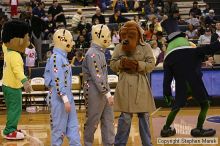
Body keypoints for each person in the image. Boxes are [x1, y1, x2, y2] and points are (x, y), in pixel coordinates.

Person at [160, 17, 218, 137]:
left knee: (176, 108)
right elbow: (211, 48)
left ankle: (166, 129)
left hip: (181, 86)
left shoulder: (168, 59)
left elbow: (167, 80)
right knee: (205, 104)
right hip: (195, 83)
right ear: (182, 38)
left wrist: (167, 94)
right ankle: (198, 129)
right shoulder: (193, 51)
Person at [110, 21, 156, 146]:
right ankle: (119, 144)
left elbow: (151, 64)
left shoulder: (145, 46)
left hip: (141, 83)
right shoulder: (119, 47)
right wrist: (121, 64)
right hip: (125, 84)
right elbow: (112, 64)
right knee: (125, 117)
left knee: (144, 116)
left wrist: (138, 65)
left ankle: (147, 144)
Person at [44, 29, 81, 146]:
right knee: (59, 129)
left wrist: (67, 98)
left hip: (66, 97)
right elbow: (57, 80)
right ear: (62, 40)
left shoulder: (63, 57)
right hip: (59, 98)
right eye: (70, 41)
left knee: (73, 126)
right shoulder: (55, 58)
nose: (72, 44)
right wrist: (65, 99)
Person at [82, 24, 114, 146]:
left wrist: (107, 93)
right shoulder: (92, 54)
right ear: (99, 36)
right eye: (108, 36)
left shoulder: (100, 52)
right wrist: (107, 93)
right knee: (93, 121)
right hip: (94, 92)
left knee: (108, 120)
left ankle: (109, 143)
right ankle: (88, 143)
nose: (110, 39)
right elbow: (98, 76)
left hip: (103, 91)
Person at [2, 20, 32, 140]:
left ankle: (12, 127)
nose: (28, 41)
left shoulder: (7, 50)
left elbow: (4, 43)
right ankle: (9, 131)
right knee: (16, 108)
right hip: (13, 87)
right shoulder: (15, 55)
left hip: (7, 86)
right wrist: (25, 82)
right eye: (27, 38)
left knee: (13, 108)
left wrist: (7, 30)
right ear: (19, 40)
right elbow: (18, 71)